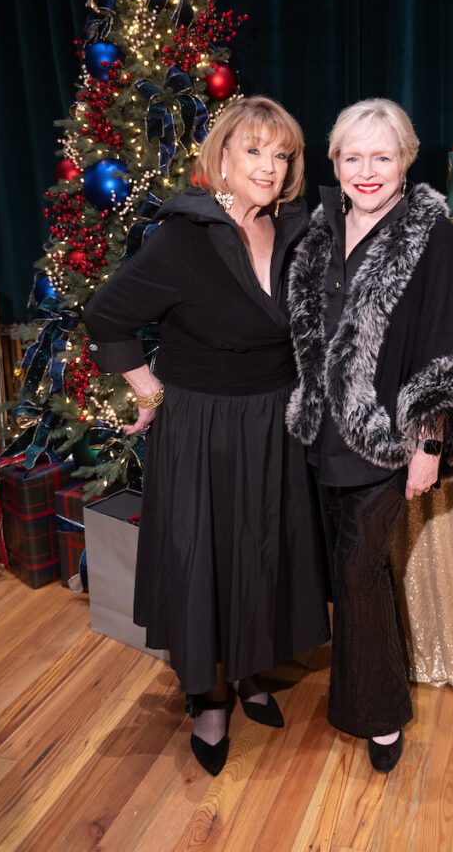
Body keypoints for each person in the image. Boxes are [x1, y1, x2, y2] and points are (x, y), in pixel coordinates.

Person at [83, 96, 330, 776]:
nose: (269, 168)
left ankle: (250, 671)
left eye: (281, 156)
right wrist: (150, 392)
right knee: (204, 564)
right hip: (202, 427)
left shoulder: (293, 231)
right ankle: (209, 694)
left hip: (272, 423)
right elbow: (106, 317)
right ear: (220, 157)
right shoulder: (184, 236)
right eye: (253, 151)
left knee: (261, 555)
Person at [285, 98, 453, 773]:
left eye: (381, 157)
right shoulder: (317, 227)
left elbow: (447, 346)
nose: (366, 170)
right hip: (312, 435)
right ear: (333, 162)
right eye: (352, 156)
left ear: (405, 162)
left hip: (384, 440)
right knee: (333, 567)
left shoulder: (429, 232)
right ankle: (324, 677)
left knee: (360, 570)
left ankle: (378, 713)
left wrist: (430, 446)